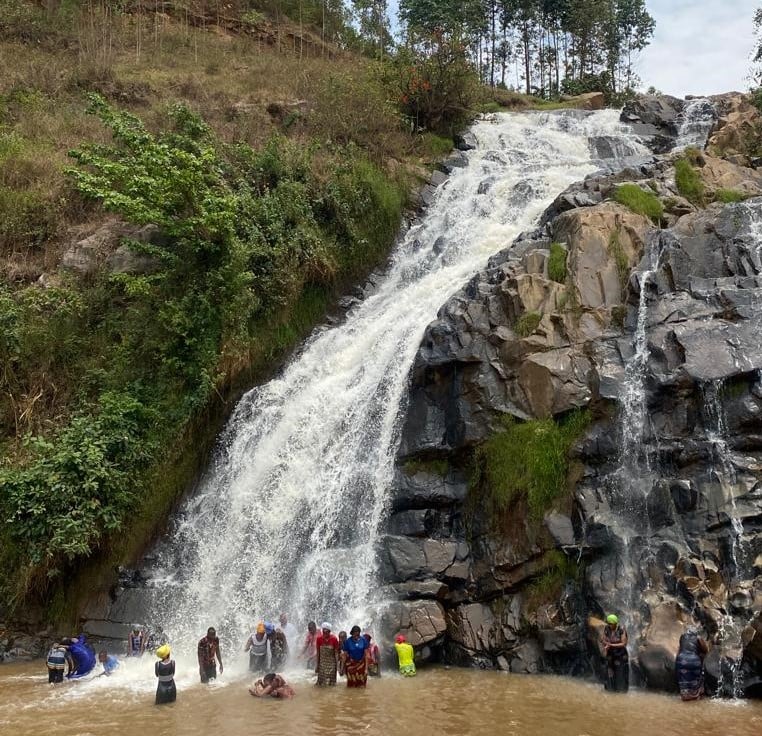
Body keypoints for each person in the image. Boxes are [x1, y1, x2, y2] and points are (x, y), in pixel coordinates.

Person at [675, 629, 709, 701]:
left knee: (684, 682)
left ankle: (685, 696)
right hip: (694, 661)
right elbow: (706, 650)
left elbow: (679, 650)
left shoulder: (682, 637)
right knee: (697, 681)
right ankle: (695, 696)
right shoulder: (698, 637)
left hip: (681, 660)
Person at [601, 613, 629, 692]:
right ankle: (610, 690)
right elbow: (603, 638)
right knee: (609, 672)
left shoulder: (622, 629)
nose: (609, 625)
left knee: (621, 672)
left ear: (615, 623)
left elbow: (624, 643)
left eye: (611, 623)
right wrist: (605, 644)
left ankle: (621, 691)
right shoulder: (606, 628)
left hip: (621, 655)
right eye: (608, 623)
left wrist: (611, 644)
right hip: (610, 654)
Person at [315, 622, 340, 687]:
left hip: (332, 664)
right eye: (324, 632)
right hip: (322, 664)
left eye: (327, 632)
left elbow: (336, 653)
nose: (325, 633)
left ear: (329, 631)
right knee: (321, 684)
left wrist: (337, 666)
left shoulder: (334, 639)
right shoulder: (319, 639)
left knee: (331, 685)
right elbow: (318, 653)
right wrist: (317, 665)